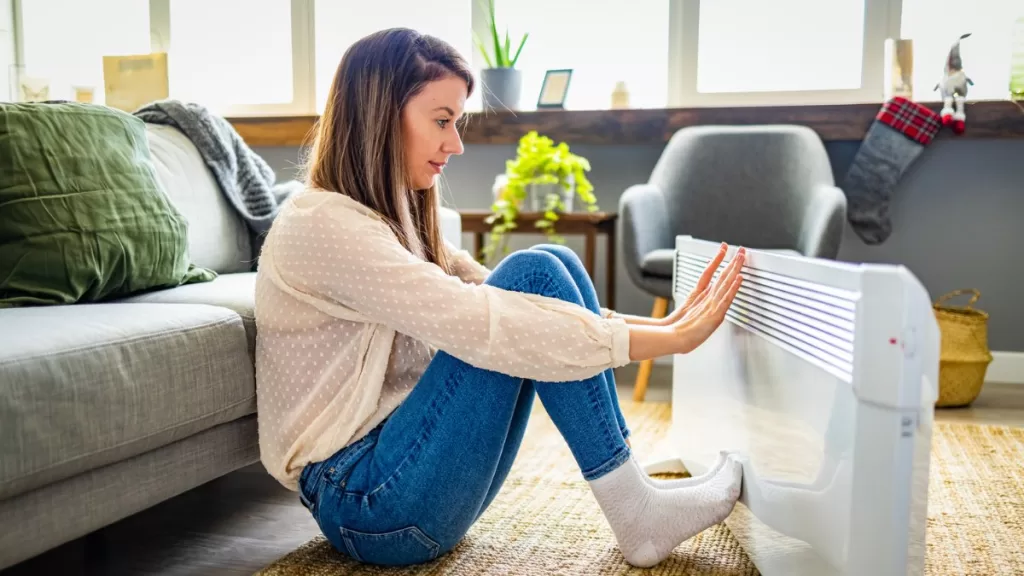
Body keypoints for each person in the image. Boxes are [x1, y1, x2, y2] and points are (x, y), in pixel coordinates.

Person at [253, 27, 747, 569]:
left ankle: (634, 499)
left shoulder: (390, 219)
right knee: (533, 273)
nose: (456, 144)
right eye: (442, 120)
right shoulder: (322, 224)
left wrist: (665, 324)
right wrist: (668, 339)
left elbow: (513, 298)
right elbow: (481, 318)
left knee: (549, 267)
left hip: (406, 482)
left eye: (456, 124)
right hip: (369, 505)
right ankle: (636, 510)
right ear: (378, 115)